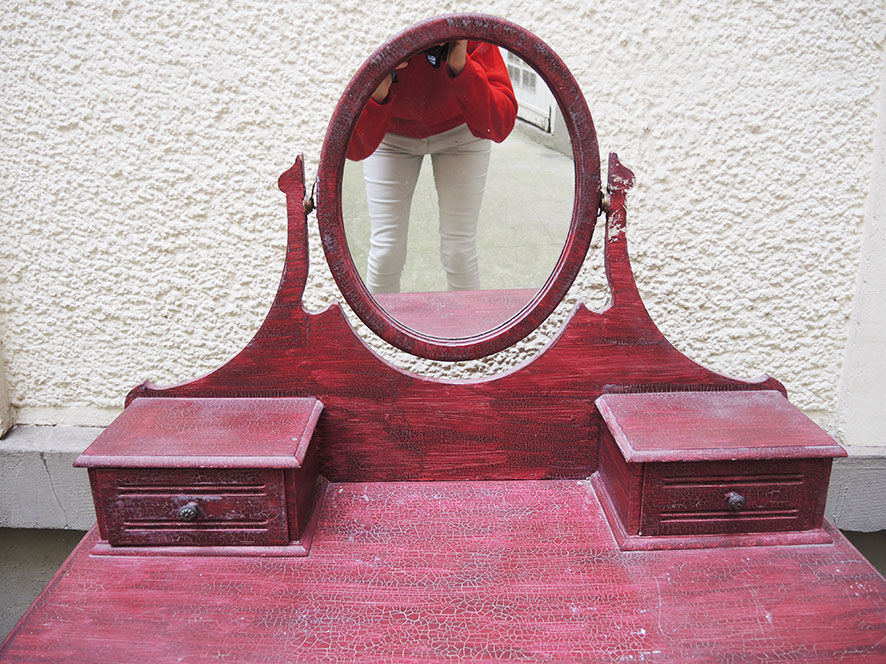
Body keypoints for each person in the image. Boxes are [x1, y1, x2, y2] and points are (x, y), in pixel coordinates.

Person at [347, 40, 517, 294]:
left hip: (463, 129)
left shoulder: (463, 24)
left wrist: (462, 64)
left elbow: (501, 124)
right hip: (391, 134)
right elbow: (353, 148)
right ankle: (379, 332)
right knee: (385, 252)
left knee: (460, 251)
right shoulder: (374, 22)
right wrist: (377, 91)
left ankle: (467, 331)